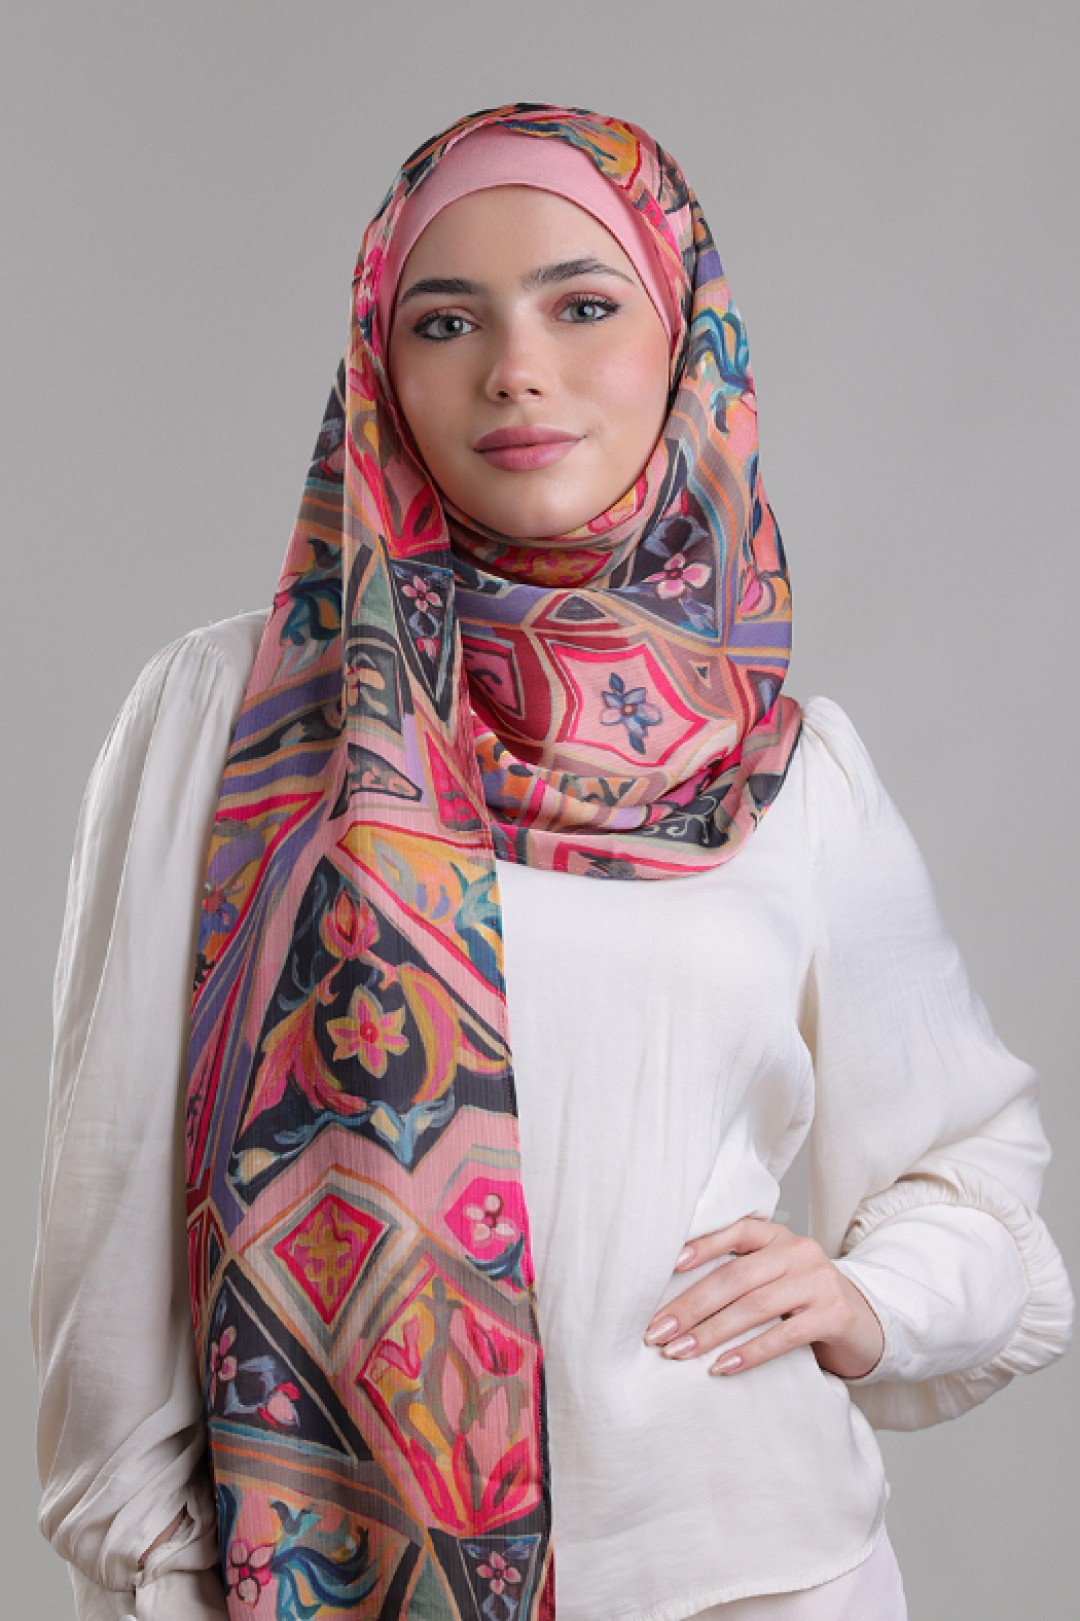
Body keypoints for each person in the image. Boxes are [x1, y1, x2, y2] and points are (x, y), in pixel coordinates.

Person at [32, 102, 1073, 1621]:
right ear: (379, 368)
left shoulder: (791, 769)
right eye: (446, 321)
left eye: (583, 306)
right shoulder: (234, 713)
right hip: (324, 1585)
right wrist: (154, 1577)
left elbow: (971, 1170)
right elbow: (109, 1209)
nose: (515, 369)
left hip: (758, 1576)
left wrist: (870, 1296)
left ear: (686, 343)